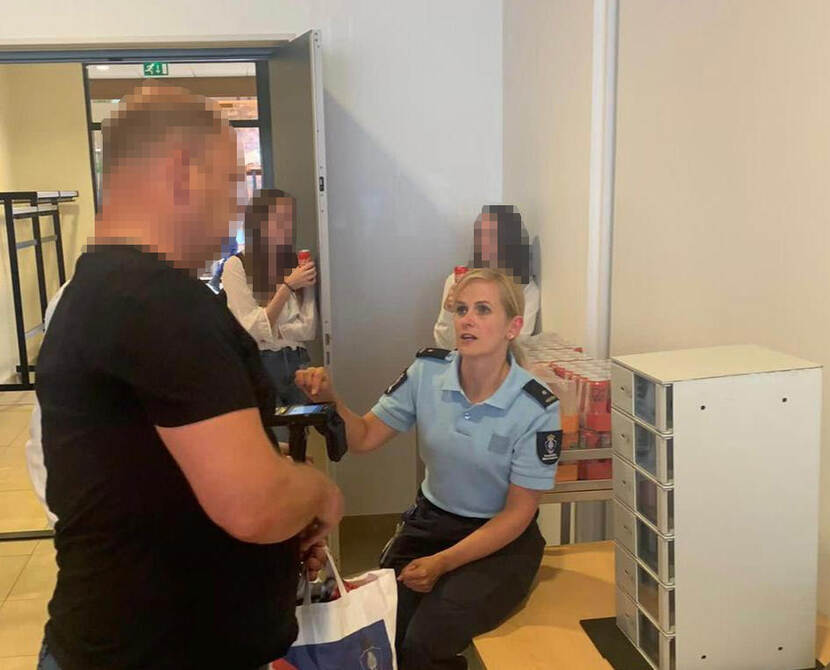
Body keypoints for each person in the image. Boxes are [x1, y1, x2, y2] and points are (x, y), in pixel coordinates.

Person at [35, 86, 343, 670]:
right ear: (182, 172)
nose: (234, 209)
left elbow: (149, 472)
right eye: (230, 184)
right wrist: (317, 491)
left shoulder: (96, 290)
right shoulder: (158, 302)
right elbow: (254, 505)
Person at [297, 267, 562, 670]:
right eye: (461, 309)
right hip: (431, 526)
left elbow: (517, 514)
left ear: (513, 327)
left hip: (500, 542)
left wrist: (443, 563)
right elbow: (364, 437)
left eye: (483, 310)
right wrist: (332, 400)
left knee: (422, 643)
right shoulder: (428, 372)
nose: (467, 320)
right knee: (381, 629)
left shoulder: (535, 407)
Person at [222, 189, 317, 407]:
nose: (287, 226)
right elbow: (250, 331)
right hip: (261, 363)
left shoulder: (298, 263)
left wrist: (272, 331)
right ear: (260, 223)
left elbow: (309, 328)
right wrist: (288, 287)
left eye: (290, 219)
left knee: (303, 424)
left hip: (298, 362)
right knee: (268, 427)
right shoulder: (236, 266)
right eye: (279, 219)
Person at [434, 204, 540, 349]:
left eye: (492, 237)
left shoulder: (526, 289)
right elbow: (444, 345)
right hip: (459, 360)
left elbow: (518, 344)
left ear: (511, 242)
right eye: (480, 236)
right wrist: (449, 311)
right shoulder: (457, 281)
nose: (484, 244)